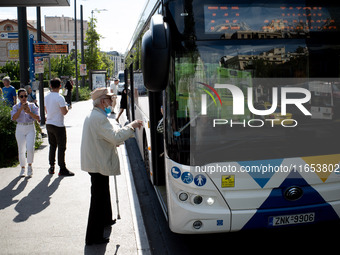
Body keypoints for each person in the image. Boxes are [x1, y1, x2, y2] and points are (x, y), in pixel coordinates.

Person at [80, 87, 142, 245]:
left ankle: (106, 220)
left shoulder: (96, 115)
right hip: (97, 162)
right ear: (102, 102)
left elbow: (108, 137)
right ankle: (93, 237)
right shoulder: (99, 118)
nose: (112, 102)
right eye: (109, 100)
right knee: (97, 200)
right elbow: (115, 137)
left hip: (96, 161)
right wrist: (132, 126)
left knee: (101, 194)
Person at [44, 78, 74, 176]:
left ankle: (51, 167)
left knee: (52, 146)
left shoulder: (46, 97)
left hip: (49, 124)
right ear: (60, 86)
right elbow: (64, 112)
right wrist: (67, 107)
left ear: (51, 86)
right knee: (61, 147)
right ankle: (62, 168)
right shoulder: (60, 97)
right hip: (58, 125)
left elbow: (46, 110)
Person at [11, 88, 40, 177]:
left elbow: (38, 118)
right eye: (22, 96)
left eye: (25, 96)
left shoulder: (32, 106)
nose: (24, 98)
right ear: (19, 97)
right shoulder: (15, 107)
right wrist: (20, 109)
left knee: (30, 148)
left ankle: (30, 166)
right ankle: (22, 168)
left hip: (30, 127)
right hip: (20, 127)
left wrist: (29, 112)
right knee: (21, 149)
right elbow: (13, 118)